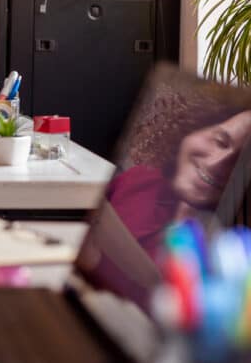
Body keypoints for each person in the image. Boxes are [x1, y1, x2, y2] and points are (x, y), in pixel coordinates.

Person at [106, 109, 251, 260]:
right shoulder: (142, 178)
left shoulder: (233, 259)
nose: (216, 164)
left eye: (242, 164)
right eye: (221, 141)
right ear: (196, 128)